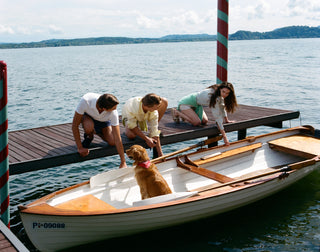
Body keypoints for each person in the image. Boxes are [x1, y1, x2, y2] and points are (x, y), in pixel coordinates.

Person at [172, 81, 238, 146]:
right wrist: (225, 137)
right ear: (220, 89)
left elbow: (222, 108)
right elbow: (217, 117)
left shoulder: (218, 95)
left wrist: (226, 120)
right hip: (186, 103)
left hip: (197, 105)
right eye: (223, 91)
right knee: (196, 122)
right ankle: (177, 113)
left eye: (227, 93)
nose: (225, 95)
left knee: (205, 121)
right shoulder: (212, 96)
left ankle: (188, 113)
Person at [72, 93, 127, 168]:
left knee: (112, 142)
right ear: (104, 109)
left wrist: (123, 162)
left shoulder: (113, 112)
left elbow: (117, 137)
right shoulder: (86, 101)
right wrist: (80, 147)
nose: (115, 110)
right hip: (88, 118)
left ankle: (96, 132)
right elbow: (75, 126)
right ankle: (90, 135)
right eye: (114, 108)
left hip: (103, 121)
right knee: (88, 127)